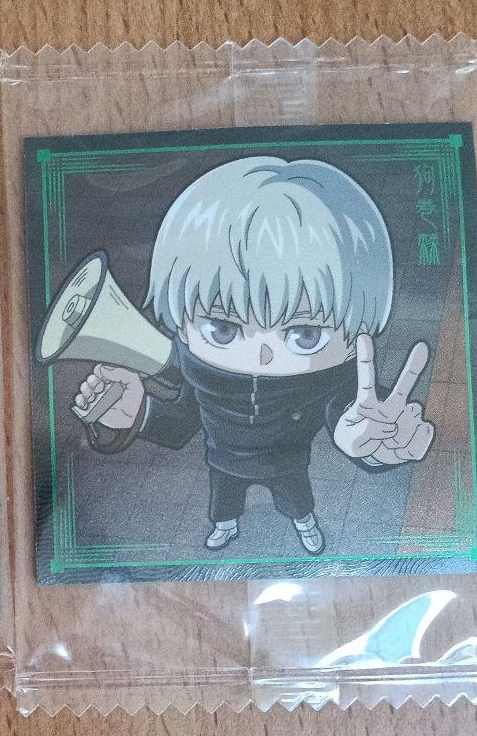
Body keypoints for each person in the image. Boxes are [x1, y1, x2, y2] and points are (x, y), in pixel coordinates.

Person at [75, 156, 434, 555]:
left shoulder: (329, 378)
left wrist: (375, 448)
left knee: (297, 501)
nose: (262, 355)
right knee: (224, 504)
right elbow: (181, 424)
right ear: (182, 326)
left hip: (286, 462)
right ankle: (225, 526)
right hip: (223, 460)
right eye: (223, 329)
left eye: (306, 334)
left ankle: (305, 524)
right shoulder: (196, 368)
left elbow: (352, 411)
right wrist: (138, 413)